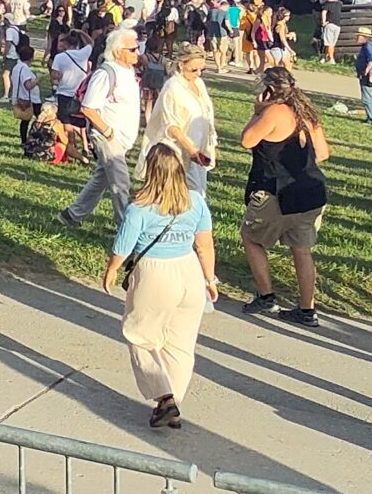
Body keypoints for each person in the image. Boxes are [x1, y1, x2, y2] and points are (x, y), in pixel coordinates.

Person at [104, 139, 219, 428]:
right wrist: (210, 279)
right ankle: (174, 402)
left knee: (140, 334)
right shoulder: (196, 202)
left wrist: (112, 270)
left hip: (155, 274)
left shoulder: (139, 208)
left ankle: (164, 396)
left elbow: (123, 246)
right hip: (189, 271)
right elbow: (205, 245)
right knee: (180, 343)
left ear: (149, 170)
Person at [239, 65, 331, 325]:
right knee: (301, 250)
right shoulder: (306, 112)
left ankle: (266, 295)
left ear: (268, 90)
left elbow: (246, 140)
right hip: (310, 191)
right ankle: (306, 309)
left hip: (276, 191)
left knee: (250, 237)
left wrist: (257, 113)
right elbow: (323, 153)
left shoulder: (274, 112)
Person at [58, 27, 145, 231]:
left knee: (102, 179)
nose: (137, 53)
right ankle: (126, 227)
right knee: (121, 183)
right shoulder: (106, 73)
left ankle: (72, 215)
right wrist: (107, 131)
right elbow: (88, 107)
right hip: (108, 137)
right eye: (132, 49)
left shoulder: (129, 72)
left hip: (123, 139)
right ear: (117, 51)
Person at [144, 41, 218, 200]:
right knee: (192, 195)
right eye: (194, 69)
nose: (198, 73)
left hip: (200, 148)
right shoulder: (173, 87)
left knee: (199, 194)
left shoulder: (198, 83)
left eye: (202, 69)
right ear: (180, 65)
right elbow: (171, 125)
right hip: (179, 150)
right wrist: (191, 150)